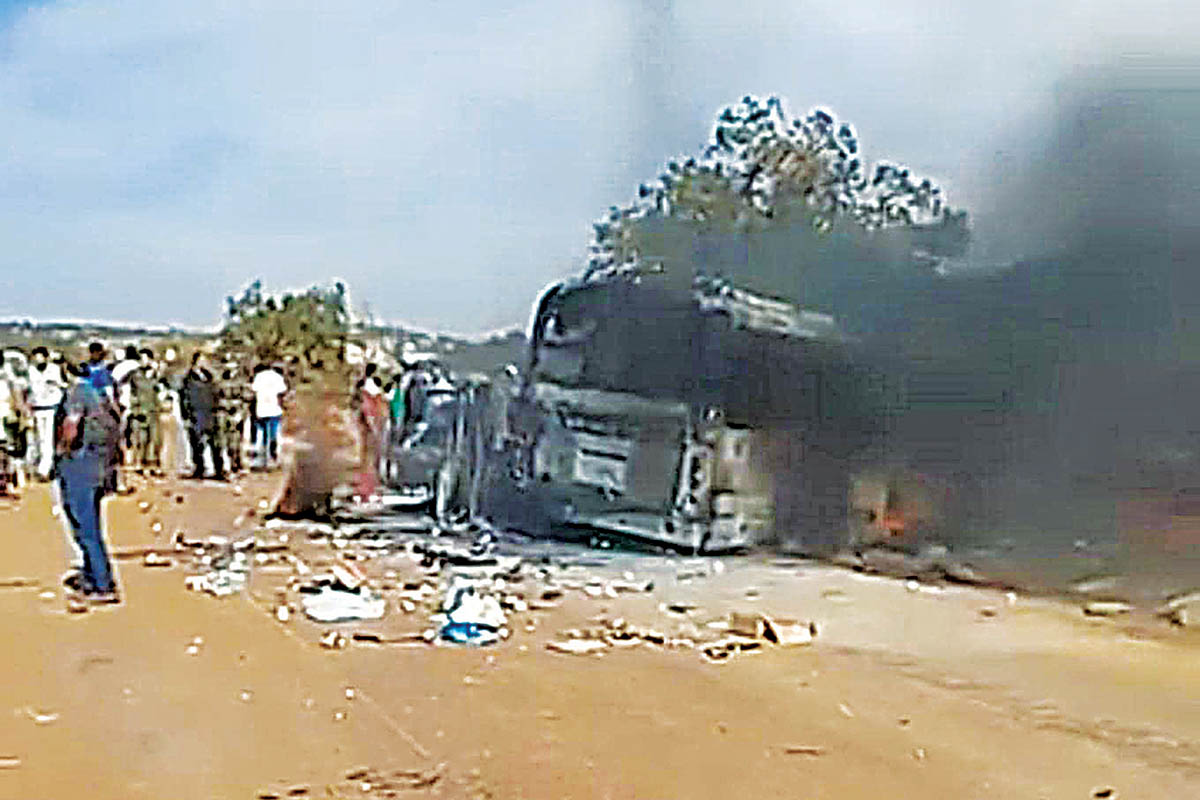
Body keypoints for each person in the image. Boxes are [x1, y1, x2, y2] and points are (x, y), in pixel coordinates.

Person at [54, 360, 121, 604]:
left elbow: (72, 425)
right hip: (99, 466)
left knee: (84, 526)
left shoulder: (76, 393)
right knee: (88, 523)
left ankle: (102, 583)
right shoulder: (99, 396)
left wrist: (61, 451)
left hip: (80, 464)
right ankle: (93, 575)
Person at [27, 346, 66, 481]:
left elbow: (64, 385)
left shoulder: (54, 369)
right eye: (36, 357)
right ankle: (42, 465)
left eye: (40, 357)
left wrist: (55, 384)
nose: (38, 360)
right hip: (37, 407)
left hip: (51, 407)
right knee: (40, 439)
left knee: (49, 439)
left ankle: (44, 469)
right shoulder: (31, 371)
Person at [180, 353, 221, 480]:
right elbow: (184, 398)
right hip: (196, 413)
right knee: (197, 443)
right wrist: (186, 415)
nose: (204, 362)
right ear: (196, 361)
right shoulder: (188, 379)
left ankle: (218, 470)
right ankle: (199, 468)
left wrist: (216, 408)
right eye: (202, 360)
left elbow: (215, 393)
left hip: (209, 413)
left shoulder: (209, 377)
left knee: (215, 443)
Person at [126, 349, 163, 476]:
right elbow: (132, 393)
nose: (143, 361)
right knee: (141, 440)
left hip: (154, 410)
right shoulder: (135, 375)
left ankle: (154, 464)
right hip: (140, 411)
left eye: (145, 358)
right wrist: (135, 408)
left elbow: (161, 389)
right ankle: (140, 463)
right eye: (141, 359)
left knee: (155, 439)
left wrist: (157, 373)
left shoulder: (155, 375)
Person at [353, 364, 386, 500]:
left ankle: (365, 490)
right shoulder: (370, 391)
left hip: (365, 430)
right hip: (368, 430)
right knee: (369, 461)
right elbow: (371, 412)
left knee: (366, 461)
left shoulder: (364, 391)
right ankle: (366, 491)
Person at [251, 362, 287, 469]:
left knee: (262, 434)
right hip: (274, 409)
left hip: (261, 410)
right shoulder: (277, 377)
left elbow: (254, 390)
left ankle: (262, 459)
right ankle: (272, 456)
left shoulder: (258, 377)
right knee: (273, 433)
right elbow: (282, 391)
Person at [214, 359, 247, 476]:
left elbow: (246, 399)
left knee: (235, 442)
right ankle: (224, 468)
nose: (229, 366)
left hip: (236, 414)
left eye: (232, 363)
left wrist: (241, 413)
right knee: (222, 441)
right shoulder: (220, 380)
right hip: (223, 414)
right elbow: (216, 398)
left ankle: (236, 465)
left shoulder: (241, 380)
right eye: (226, 363)